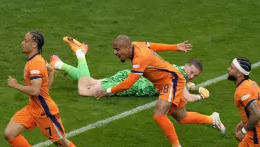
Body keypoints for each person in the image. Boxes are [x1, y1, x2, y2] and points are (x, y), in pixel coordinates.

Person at [94, 35, 225, 147]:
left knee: (159, 113)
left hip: (171, 80)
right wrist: (175, 47)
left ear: (127, 47)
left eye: (117, 49)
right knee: (182, 117)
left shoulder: (140, 58)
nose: (115, 52)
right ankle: (213, 120)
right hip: (166, 82)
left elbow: (129, 83)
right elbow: (152, 45)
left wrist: (108, 91)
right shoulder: (136, 45)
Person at [3, 31, 98, 147]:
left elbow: (35, 91)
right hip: (33, 108)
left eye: (25, 41)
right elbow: (51, 70)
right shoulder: (36, 60)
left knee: (62, 144)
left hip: (45, 113)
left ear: (34, 45)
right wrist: (47, 89)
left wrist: (16, 85)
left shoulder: (34, 65)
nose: (22, 43)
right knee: (9, 133)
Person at [49, 39, 209, 102]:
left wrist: (174, 47)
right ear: (185, 66)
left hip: (130, 75)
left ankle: (57, 64)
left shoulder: (175, 70)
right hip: (132, 83)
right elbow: (187, 98)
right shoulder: (179, 75)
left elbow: (151, 46)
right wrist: (201, 95)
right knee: (84, 90)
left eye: (195, 75)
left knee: (90, 81)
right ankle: (80, 53)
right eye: (191, 71)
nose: (192, 75)